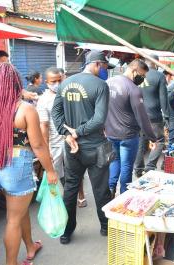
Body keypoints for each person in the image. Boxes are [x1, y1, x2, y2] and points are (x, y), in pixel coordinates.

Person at [0, 63, 58, 265]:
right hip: (16, 168)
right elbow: (39, 145)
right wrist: (50, 170)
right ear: (16, 84)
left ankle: (30, 246)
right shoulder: (25, 109)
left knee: (18, 211)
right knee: (13, 219)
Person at [52, 50, 112, 244]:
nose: (105, 71)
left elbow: (56, 114)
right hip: (94, 147)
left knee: (70, 189)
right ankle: (105, 227)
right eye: (104, 67)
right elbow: (99, 119)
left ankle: (66, 232)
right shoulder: (101, 85)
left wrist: (68, 134)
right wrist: (77, 132)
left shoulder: (65, 83)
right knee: (101, 189)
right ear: (96, 64)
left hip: (73, 147)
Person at [37, 67, 87, 208]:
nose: (58, 84)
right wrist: (46, 149)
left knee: (76, 171)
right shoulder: (44, 100)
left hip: (73, 139)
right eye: (54, 81)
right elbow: (44, 126)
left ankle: (81, 195)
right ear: (47, 82)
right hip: (55, 143)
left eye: (60, 80)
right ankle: (60, 201)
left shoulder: (70, 94)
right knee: (55, 174)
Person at [105, 59, 157, 195]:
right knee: (127, 166)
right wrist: (152, 137)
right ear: (135, 70)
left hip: (110, 133)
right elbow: (142, 117)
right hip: (128, 135)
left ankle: (110, 189)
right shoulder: (133, 89)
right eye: (143, 75)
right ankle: (124, 194)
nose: (143, 78)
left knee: (114, 161)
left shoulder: (108, 83)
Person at [134, 55, 169, 177]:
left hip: (137, 115)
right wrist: (167, 117)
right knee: (159, 141)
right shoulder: (159, 76)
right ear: (156, 63)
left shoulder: (137, 74)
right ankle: (150, 167)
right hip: (153, 116)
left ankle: (138, 169)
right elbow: (163, 99)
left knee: (141, 142)